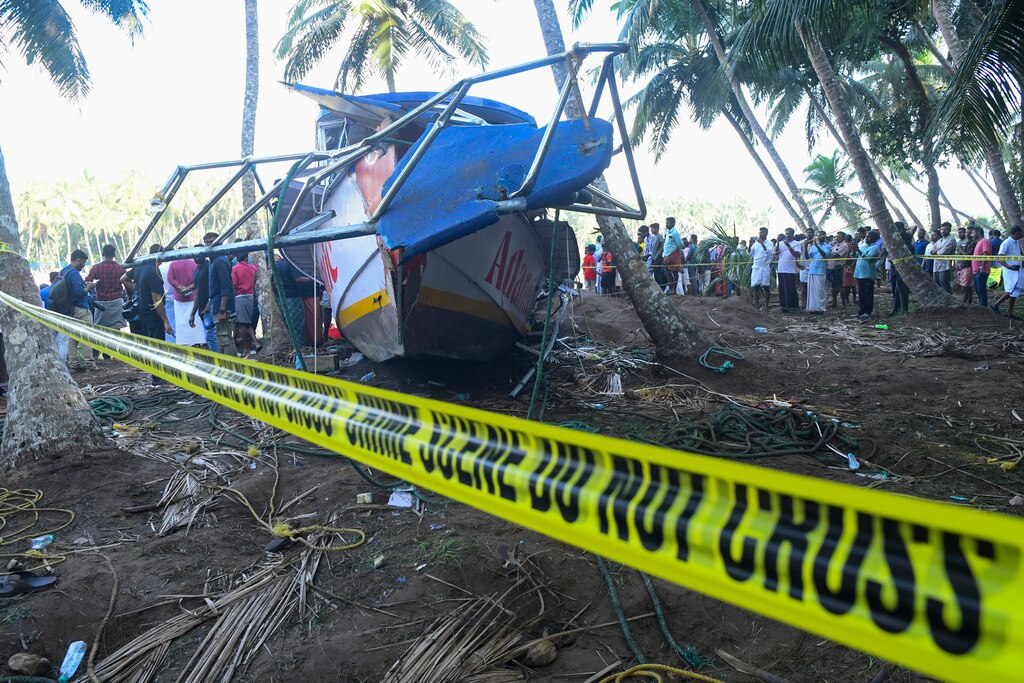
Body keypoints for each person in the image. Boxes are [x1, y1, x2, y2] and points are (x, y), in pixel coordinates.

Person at [134, 245, 174, 385]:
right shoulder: (154, 271)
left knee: (151, 344)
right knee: (157, 345)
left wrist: (139, 293)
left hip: (143, 311)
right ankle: (157, 378)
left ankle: (157, 375)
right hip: (153, 314)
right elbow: (156, 298)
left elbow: (124, 278)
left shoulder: (139, 266)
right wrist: (165, 321)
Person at [61, 249, 97, 371]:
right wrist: (89, 287)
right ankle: (90, 363)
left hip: (70, 309)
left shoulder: (64, 271)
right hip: (81, 308)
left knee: (73, 336)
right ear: (78, 260)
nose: (84, 265)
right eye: (83, 262)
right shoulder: (74, 274)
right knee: (87, 335)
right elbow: (78, 292)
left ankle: (74, 363)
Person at [85, 244, 127, 336]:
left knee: (101, 333)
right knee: (117, 332)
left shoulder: (96, 268)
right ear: (114, 254)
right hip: (117, 303)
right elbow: (127, 282)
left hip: (101, 304)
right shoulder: (120, 268)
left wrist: (94, 284)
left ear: (103, 253)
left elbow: (87, 281)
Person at [166, 253, 206, 347]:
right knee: (195, 320)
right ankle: (197, 341)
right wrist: (188, 287)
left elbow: (170, 278)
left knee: (181, 322)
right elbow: (197, 280)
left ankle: (184, 341)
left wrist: (179, 287)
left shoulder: (173, 264)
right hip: (193, 296)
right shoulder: (193, 263)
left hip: (179, 297)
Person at [208, 251, 238, 356]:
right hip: (217, 305)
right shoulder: (214, 262)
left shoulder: (220, 262)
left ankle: (231, 364)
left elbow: (226, 287)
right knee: (222, 339)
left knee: (225, 339)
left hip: (223, 307)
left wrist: (222, 310)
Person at [188, 246, 217, 350]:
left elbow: (214, 287)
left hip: (210, 308)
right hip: (202, 310)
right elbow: (197, 293)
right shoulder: (196, 271)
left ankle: (217, 357)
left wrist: (209, 303)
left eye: (199, 254)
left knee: (211, 336)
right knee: (209, 336)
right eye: (194, 255)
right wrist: (192, 314)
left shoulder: (209, 267)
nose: (196, 257)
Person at [990, 225, 1023, 318]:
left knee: (1015, 291)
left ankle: (1009, 313)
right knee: (1011, 291)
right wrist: (1009, 267)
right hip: (1010, 271)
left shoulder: (1016, 242)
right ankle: (995, 305)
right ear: (1017, 232)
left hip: (1017, 270)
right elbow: (999, 258)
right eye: (1021, 232)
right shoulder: (1006, 242)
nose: (1022, 234)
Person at [232, 255, 258, 356]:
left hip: (240, 296)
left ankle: (246, 349)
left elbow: (234, 284)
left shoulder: (235, 269)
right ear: (246, 258)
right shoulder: (251, 268)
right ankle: (254, 343)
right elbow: (255, 268)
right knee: (247, 322)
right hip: (250, 296)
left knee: (242, 324)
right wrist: (255, 262)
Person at [853, 230, 882, 318]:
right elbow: (855, 256)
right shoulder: (863, 245)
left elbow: (869, 258)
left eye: (869, 237)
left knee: (868, 294)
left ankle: (868, 311)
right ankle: (861, 311)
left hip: (868, 274)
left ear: (874, 238)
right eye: (866, 237)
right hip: (859, 273)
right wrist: (854, 251)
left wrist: (858, 250)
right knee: (861, 293)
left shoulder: (875, 248)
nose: (867, 238)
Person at [887, 222, 912, 316]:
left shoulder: (908, 247)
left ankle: (904, 310)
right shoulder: (897, 247)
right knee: (896, 290)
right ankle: (896, 309)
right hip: (895, 270)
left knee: (902, 290)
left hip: (903, 271)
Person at [774, 228, 801, 313]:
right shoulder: (781, 243)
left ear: (793, 234)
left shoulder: (796, 243)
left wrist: (788, 245)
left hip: (790, 270)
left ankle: (793, 307)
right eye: (786, 234)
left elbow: (796, 255)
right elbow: (776, 254)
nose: (787, 235)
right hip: (781, 268)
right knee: (782, 289)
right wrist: (778, 242)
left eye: (789, 233)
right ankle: (784, 306)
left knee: (791, 288)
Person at [805, 231, 831, 313]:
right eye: (818, 236)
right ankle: (812, 308)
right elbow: (807, 257)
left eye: (821, 236)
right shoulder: (813, 246)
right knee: (812, 291)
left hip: (820, 270)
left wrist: (817, 246)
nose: (819, 237)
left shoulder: (827, 246)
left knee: (820, 290)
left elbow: (824, 255)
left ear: (824, 236)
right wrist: (805, 247)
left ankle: (820, 308)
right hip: (812, 270)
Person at [749, 227, 771, 310]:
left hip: (765, 267)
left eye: (762, 232)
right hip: (756, 267)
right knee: (756, 287)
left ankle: (766, 305)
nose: (760, 234)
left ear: (766, 233)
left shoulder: (769, 243)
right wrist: (750, 244)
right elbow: (749, 253)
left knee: (766, 286)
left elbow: (768, 252)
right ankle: (757, 304)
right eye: (760, 233)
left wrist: (762, 243)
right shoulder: (755, 243)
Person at [932, 222, 956, 292]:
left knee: (944, 283)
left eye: (945, 229)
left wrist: (937, 250)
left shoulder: (951, 239)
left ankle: (949, 298)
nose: (943, 231)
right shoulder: (939, 240)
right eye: (942, 229)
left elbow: (943, 252)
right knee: (937, 283)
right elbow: (932, 251)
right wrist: (938, 250)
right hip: (936, 265)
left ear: (949, 230)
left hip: (945, 266)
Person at [971, 226, 992, 307]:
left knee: (981, 290)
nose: (972, 235)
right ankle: (981, 307)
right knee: (978, 290)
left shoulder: (984, 241)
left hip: (981, 270)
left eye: (973, 232)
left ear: (978, 232)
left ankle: (984, 308)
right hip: (976, 271)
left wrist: (982, 266)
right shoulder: (979, 242)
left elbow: (986, 254)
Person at [662, 219, 684, 295]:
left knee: (674, 272)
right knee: (667, 272)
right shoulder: (667, 232)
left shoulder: (675, 233)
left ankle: (674, 289)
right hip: (666, 255)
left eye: (668, 223)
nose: (666, 224)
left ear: (672, 223)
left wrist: (673, 251)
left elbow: (680, 244)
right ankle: (670, 288)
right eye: (666, 223)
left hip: (673, 255)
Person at [957, 228, 977, 304]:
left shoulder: (973, 243)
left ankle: (963, 304)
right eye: (966, 232)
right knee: (968, 288)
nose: (967, 234)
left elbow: (968, 255)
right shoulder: (967, 242)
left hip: (968, 266)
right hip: (961, 266)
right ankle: (968, 304)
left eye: (970, 232)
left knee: (965, 287)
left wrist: (960, 249)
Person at [646, 223, 665, 288]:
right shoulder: (655, 237)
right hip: (654, 258)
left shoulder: (659, 236)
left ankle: (661, 287)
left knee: (658, 274)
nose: (651, 230)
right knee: (656, 274)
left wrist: (658, 254)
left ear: (657, 229)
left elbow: (662, 245)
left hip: (658, 258)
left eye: (653, 228)